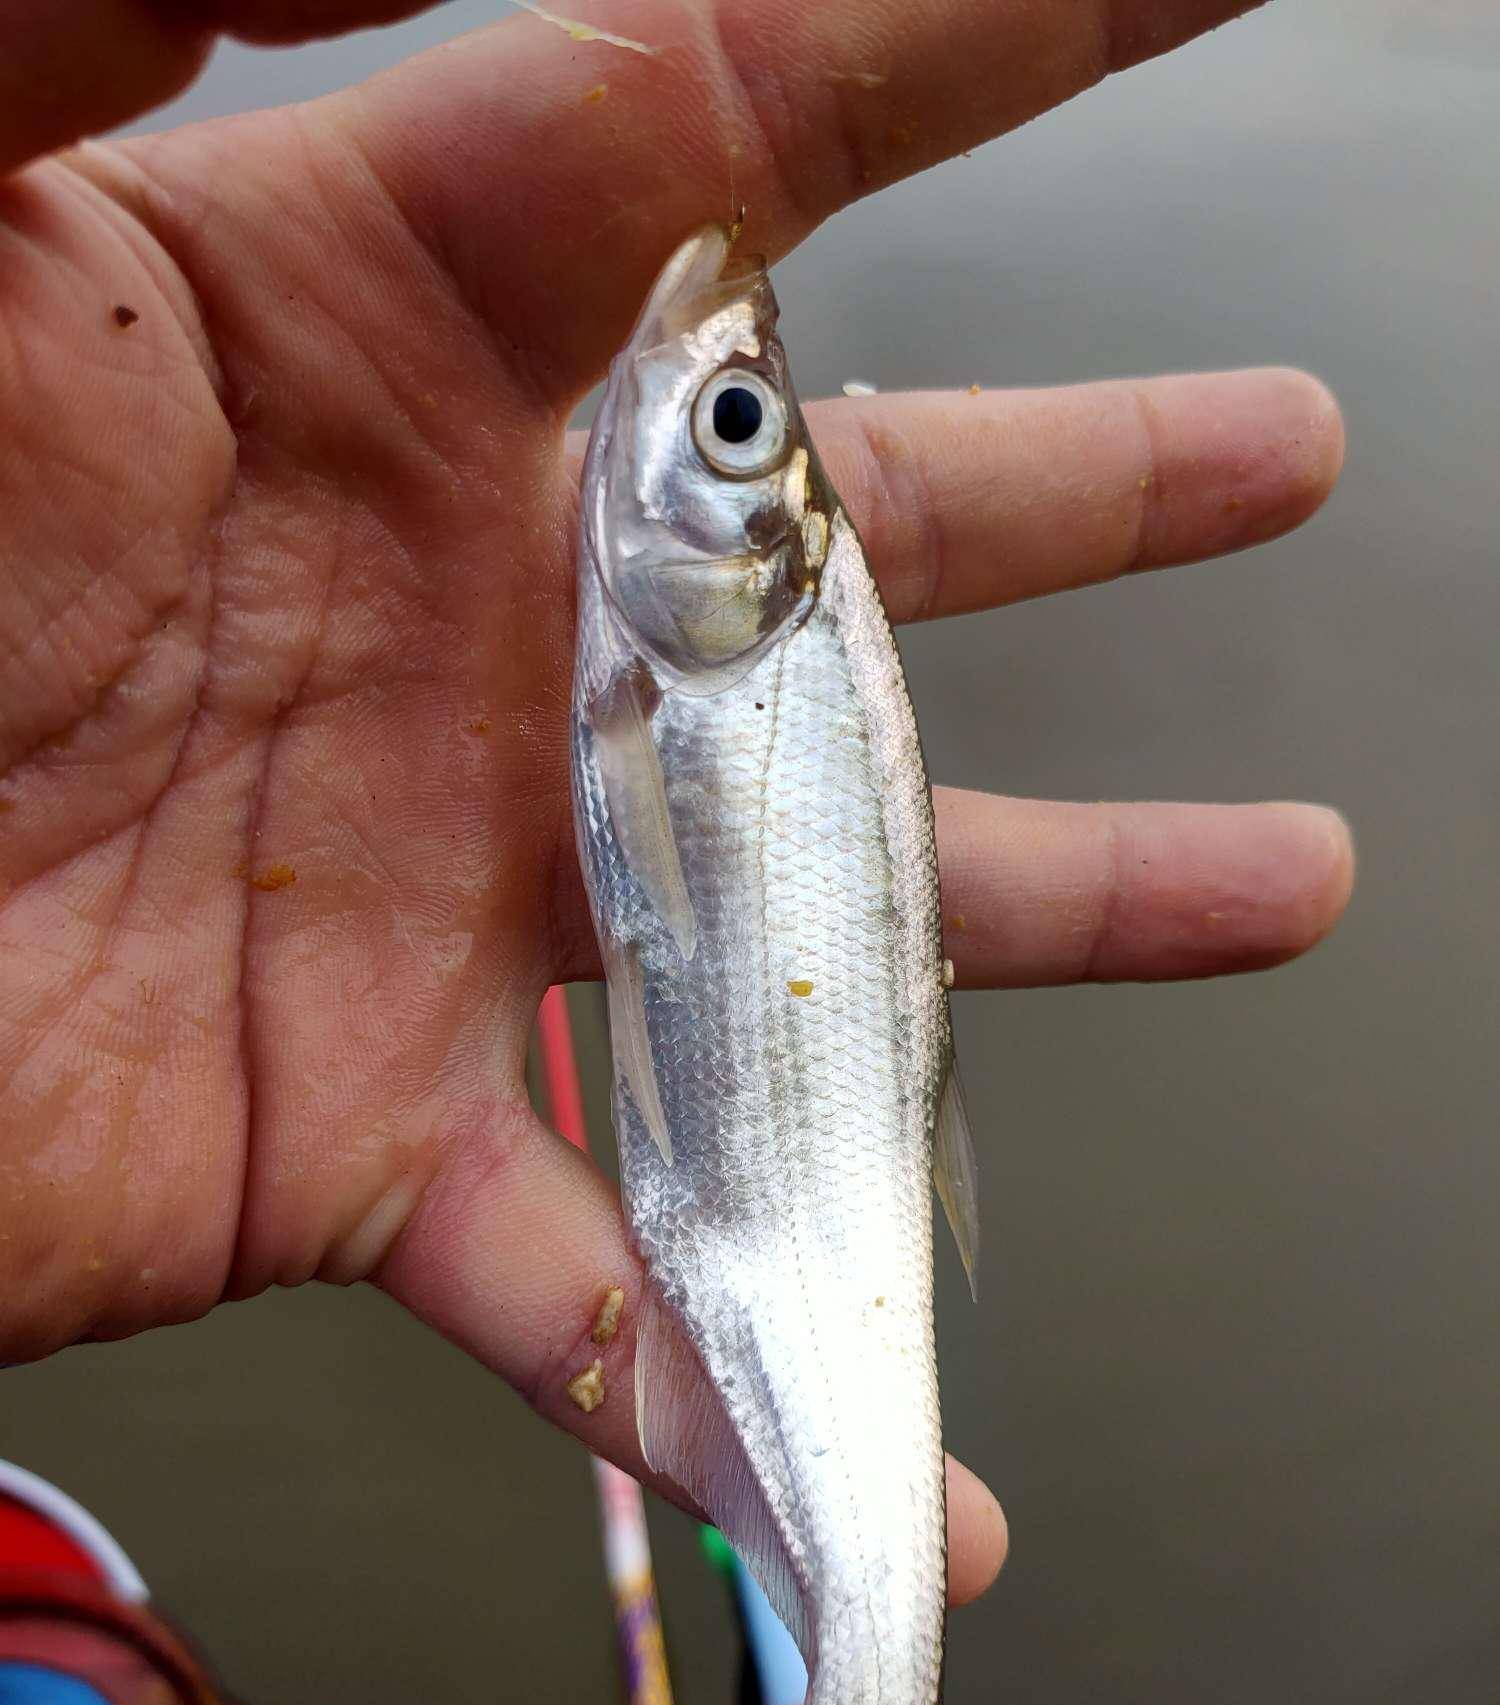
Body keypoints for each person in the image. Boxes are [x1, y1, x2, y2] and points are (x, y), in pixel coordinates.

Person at [0, 0, 1352, 1606]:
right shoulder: (664, 651)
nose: (698, 412)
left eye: (731, 425)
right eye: (738, 421)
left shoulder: (703, 659)